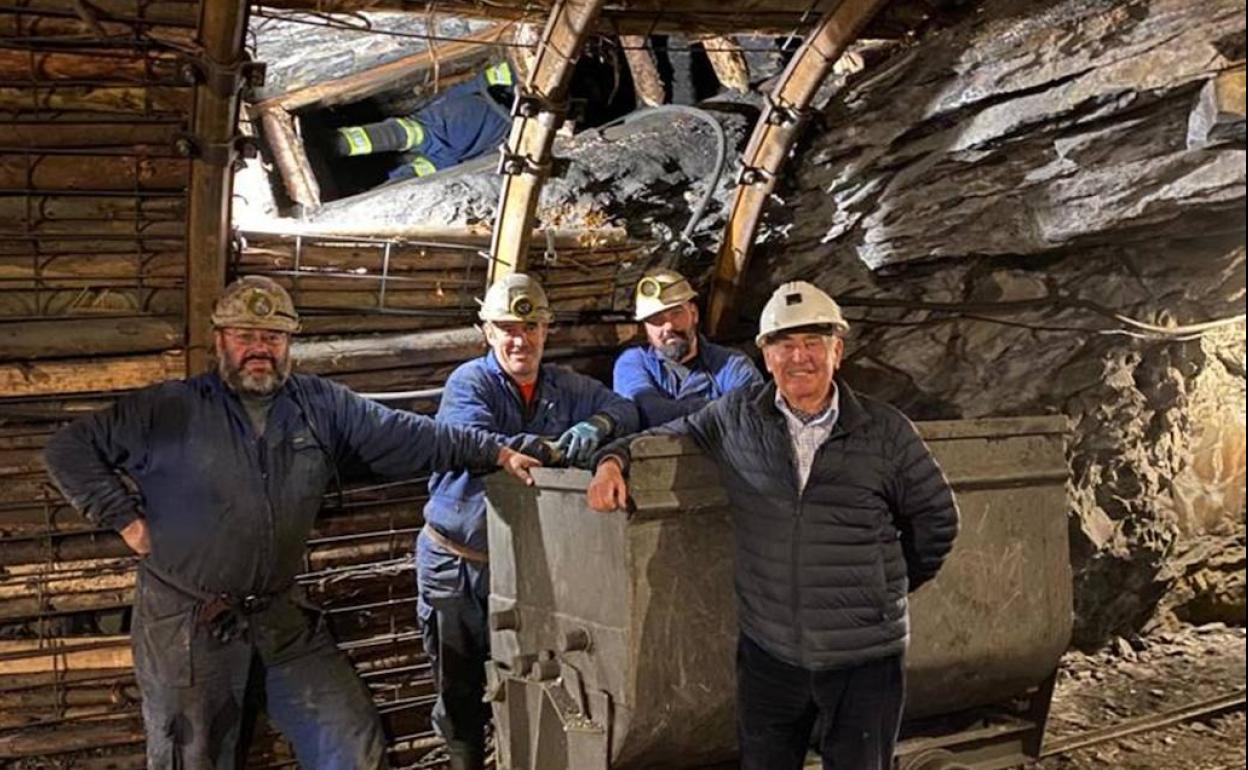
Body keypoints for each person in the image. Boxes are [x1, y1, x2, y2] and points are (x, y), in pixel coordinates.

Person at [43, 276, 541, 770]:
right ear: (220, 339)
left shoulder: (319, 406)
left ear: (289, 344)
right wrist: (125, 520)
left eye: (273, 338)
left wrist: (493, 451)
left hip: (278, 615)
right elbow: (69, 449)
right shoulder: (170, 408)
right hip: (187, 621)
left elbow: (411, 436)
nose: (259, 349)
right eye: (245, 336)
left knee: (349, 739)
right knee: (191, 756)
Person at [587, 281, 960, 770]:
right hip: (771, 656)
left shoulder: (885, 430)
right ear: (765, 356)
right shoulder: (736, 417)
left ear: (837, 350)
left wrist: (884, 587)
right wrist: (611, 460)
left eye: (812, 343)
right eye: (784, 344)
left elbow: (936, 520)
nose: (798, 357)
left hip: (863, 658)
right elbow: (663, 434)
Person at [417, 273, 639, 770]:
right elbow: (467, 434)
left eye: (531, 326)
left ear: (546, 330)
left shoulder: (563, 386)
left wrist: (598, 426)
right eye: (507, 328)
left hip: (525, 569)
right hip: (458, 565)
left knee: (525, 679)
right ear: (487, 332)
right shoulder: (470, 382)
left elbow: (624, 408)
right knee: (459, 687)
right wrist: (544, 448)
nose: (521, 339)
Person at [613, 267, 762, 428]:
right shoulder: (632, 363)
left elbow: (749, 416)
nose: (668, 326)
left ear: (694, 314)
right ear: (646, 328)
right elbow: (649, 412)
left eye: (676, 313)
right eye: (656, 319)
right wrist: (719, 409)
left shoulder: (732, 364)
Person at [331, 61, 517, 182]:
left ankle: (333, 144)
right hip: (481, 125)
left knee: (417, 136)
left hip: (479, 118)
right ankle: (334, 144)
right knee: (419, 142)